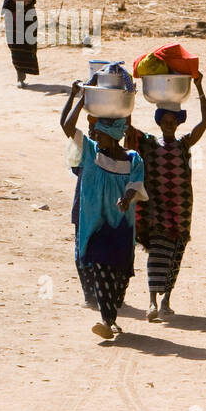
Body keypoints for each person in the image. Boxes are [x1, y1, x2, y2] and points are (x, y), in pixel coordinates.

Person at [62, 80, 148, 340]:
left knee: (119, 274)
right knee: (99, 267)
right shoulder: (89, 151)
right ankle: (106, 320)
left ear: (113, 136)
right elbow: (67, 126)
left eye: (100, 134)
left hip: (121, 227)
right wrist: (79, 96)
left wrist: (126, 198)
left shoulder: (133, 159)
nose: (95, 137)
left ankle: (110, 316)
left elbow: (136, 184)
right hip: (96, 226)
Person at [129, 73, 206, 321]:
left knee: (175, 254)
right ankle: (152, 302)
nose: (168, 125)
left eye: (172, 121)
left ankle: (166, 301)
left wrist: (199, 87)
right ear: (159, 122)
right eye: (164, 121)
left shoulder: (184, 144)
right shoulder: (148, 143)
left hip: (180, 209)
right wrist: (129, 96)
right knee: (157, 253)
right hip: (155, 210)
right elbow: (127, 128)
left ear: (177, 124)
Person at [61, 91, 100, 310]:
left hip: (104, 210)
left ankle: (98, 291)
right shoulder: (86, 147)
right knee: (82, 251)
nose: (93, 133)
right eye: (91, 129)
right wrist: (78, 97)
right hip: (84, 209)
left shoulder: (113, 152)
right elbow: (65, 125)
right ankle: (89, 293)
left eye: (97, 129)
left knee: (99, 251)